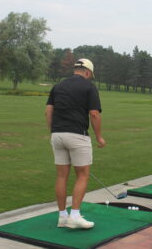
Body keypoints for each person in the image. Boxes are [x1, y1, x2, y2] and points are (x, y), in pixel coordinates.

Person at [45, 58, 105, 229]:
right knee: (83, 175)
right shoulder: (89, 86)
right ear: (87, 72)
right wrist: (99, 137)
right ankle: (75, 216)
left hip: (57, 135)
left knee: (62, 176)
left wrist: (53, 131)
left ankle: (62, 216)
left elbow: (48, 111)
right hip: (77, 135)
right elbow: (94, 114)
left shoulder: (58, 86)